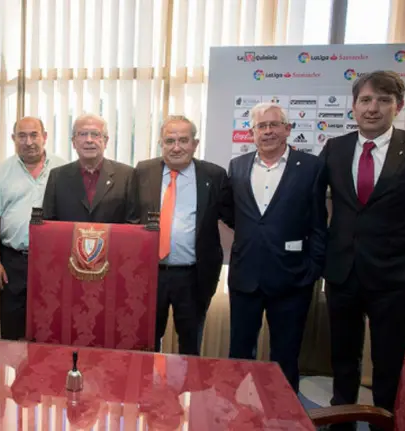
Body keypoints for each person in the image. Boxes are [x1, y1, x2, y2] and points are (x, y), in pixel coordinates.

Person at [319, 70, 405, 429]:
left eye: (382, 100)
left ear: (398, 106)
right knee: (343, 359)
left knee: (388, 362)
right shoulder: (336, 148)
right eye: (365, 100)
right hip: (342, 273)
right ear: (354, 106)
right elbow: (316, 208)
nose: (373, 108)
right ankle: (341, 422)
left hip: (395, 278)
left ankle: (386, 424)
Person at [225, 102, 327, 393]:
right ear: (252, 133)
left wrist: (313, 269)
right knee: (239, 353)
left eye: (274, 125)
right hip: (246, 277)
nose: (267, 131)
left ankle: (283, 418)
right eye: (261, 126)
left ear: (287, 129)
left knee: (285, 356)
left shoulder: (311, 167)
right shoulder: (238, 166)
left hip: (293, 279)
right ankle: (237, 416)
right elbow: (236, 215)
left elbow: (319, 223)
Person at [133, 115, 234, 355]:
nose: (176, 147)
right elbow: (130, 218)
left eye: (183, 140)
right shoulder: (143, 171)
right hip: (151, 274)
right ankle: (148, 390)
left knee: (190, 343)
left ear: (195, 144)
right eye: (169, 141)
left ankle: (187, 391)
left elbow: (234, 217)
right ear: (161, 143)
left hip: (193, 276)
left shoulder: (214, 175)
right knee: (146, 341)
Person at [0, 116, 66, 340]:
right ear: (13, 139)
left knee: (51, 328)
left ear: (45, 137)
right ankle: (17, 376)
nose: (28, 142)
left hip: (54, 262)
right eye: (22, 136)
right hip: (13, 261)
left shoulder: (63, 169)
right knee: (12, 331)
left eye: (34, 135)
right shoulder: (0, 172)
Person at [42, 114, 136, 223]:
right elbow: (48, 223)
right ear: (73, 142)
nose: (89, 140)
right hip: (68, 240)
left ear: (105, 141)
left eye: (95, 134)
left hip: (113, 240)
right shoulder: (57, 176)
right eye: (83, 134)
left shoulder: (126, 176)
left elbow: (132, 224)